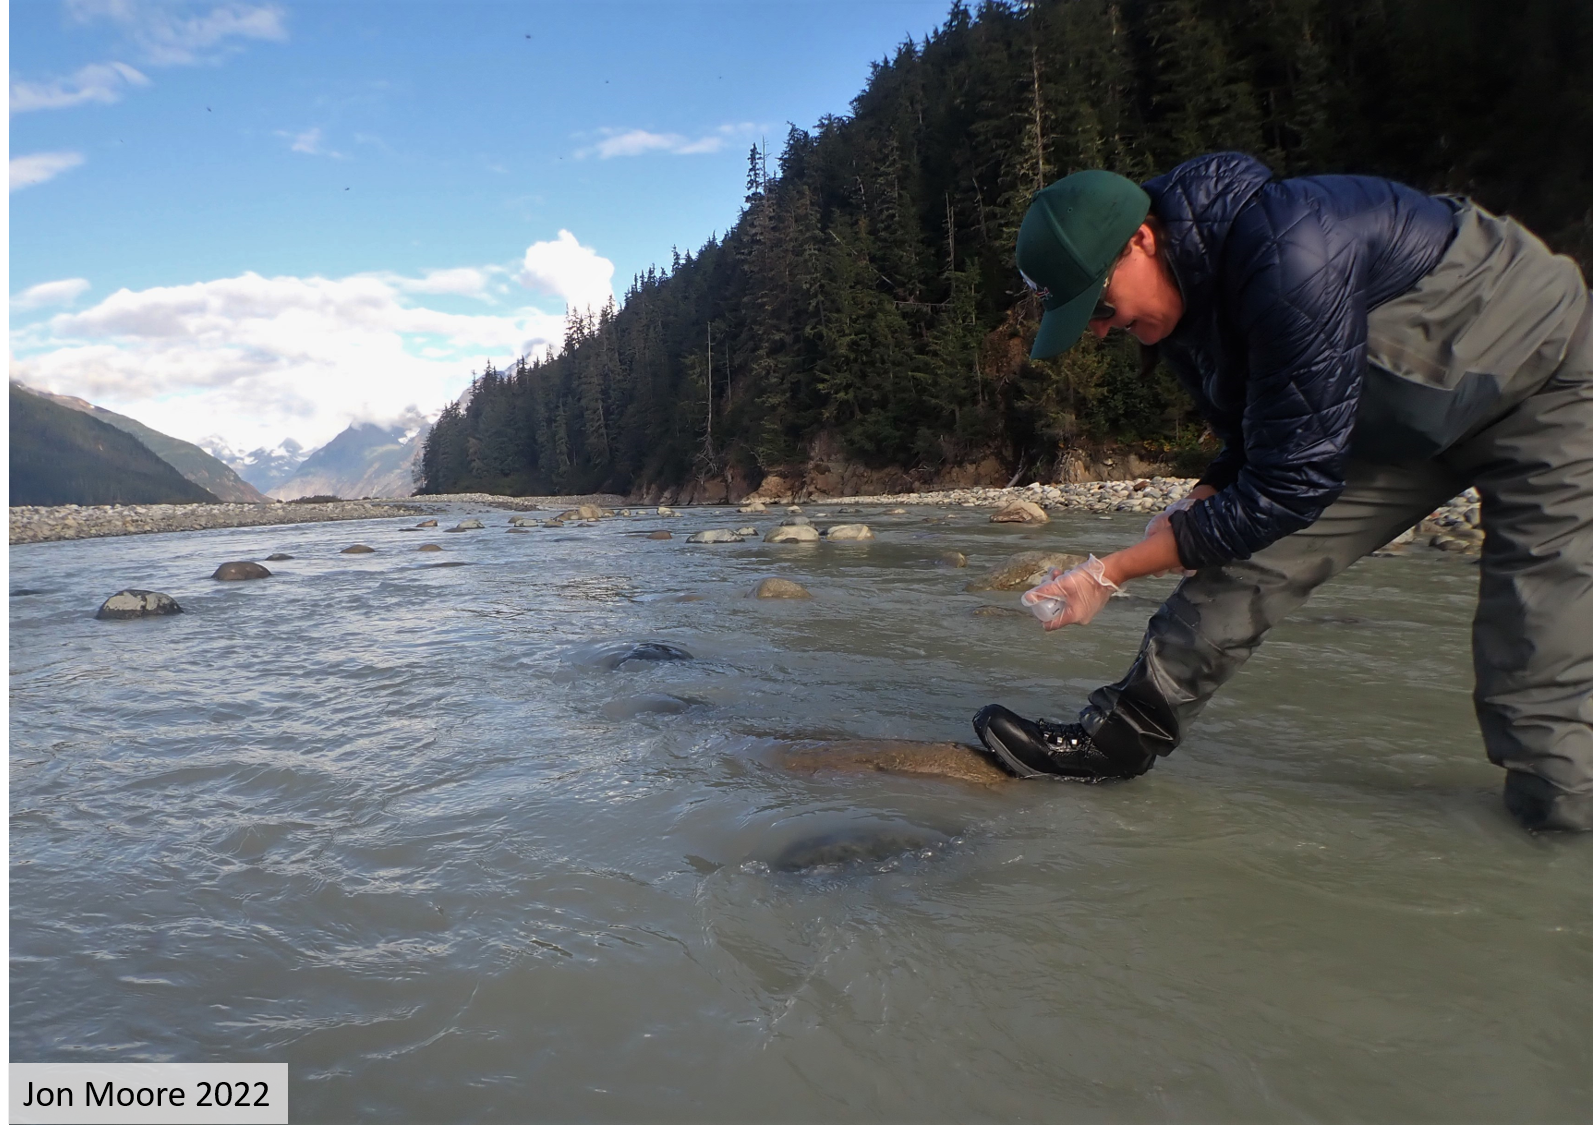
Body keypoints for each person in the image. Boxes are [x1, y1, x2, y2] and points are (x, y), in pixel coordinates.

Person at [973, 152, 1591, 832]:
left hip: (1545, 382)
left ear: (1142, 240)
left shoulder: (1293, 244)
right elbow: (1257, 433)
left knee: (1538, 649)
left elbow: (1290, 485)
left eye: (1099, 303)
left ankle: (1557, 837)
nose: (1097, 328)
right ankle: (1118, 737)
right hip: (1391, 426)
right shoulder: (1179, 313)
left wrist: (1108, 572)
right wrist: (1203, 494)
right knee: (1241, 560)